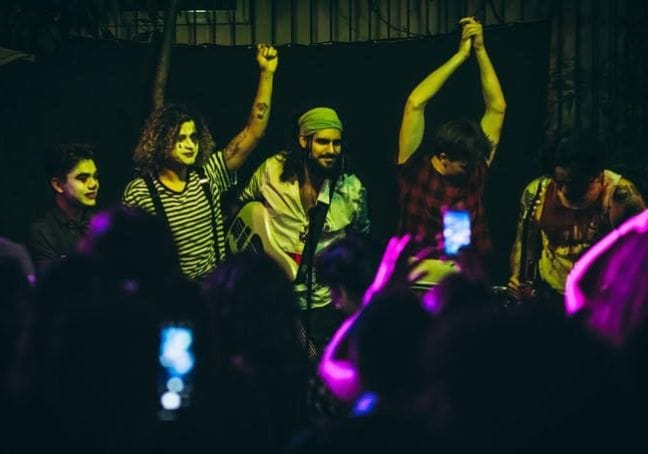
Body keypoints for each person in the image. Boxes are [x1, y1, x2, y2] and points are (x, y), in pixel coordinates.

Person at [122, 44, 278, 281]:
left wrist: (267, 73)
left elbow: (253, 134)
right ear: (160, 141)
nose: (189, 145)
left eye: (193, 138)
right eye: (180, 138)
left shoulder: (207, 175)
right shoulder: (140, 192)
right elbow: (128, 251)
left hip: (211, 288)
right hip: (169, 291)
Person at [239, 106, 370, 351]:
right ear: (303, 141)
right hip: (272, 297)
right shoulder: (272, 171)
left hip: (322, 303)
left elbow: (361, 239)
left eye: (336, 143)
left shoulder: (351, 190)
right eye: (322, 142)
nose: (331, 150)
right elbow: (244, 208)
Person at [397, 17, 506, 258]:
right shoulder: (415, 171)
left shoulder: (475, 168)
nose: (472, 169)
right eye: (465, 166)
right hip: (421, 271)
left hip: (465, 271)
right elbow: (415, 103)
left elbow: (497, 108)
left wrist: (479, 50)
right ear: (444, 157)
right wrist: (460, 56)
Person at [509, 130, 645, 309]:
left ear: (593, 175)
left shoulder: (620, 196)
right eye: (559, 182)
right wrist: (518, 277)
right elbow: (523, 241)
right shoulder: (537, 192)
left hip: (601, 299)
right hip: (551, 295)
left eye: (572, 183)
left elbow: (641, 251)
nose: (563, 190)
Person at [27, 143, 99, 272]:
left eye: (95, 176)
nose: (93, 184)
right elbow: (51, 281)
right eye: (83, 178)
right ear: (58, 185)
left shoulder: (101, 223)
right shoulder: (42, 232)